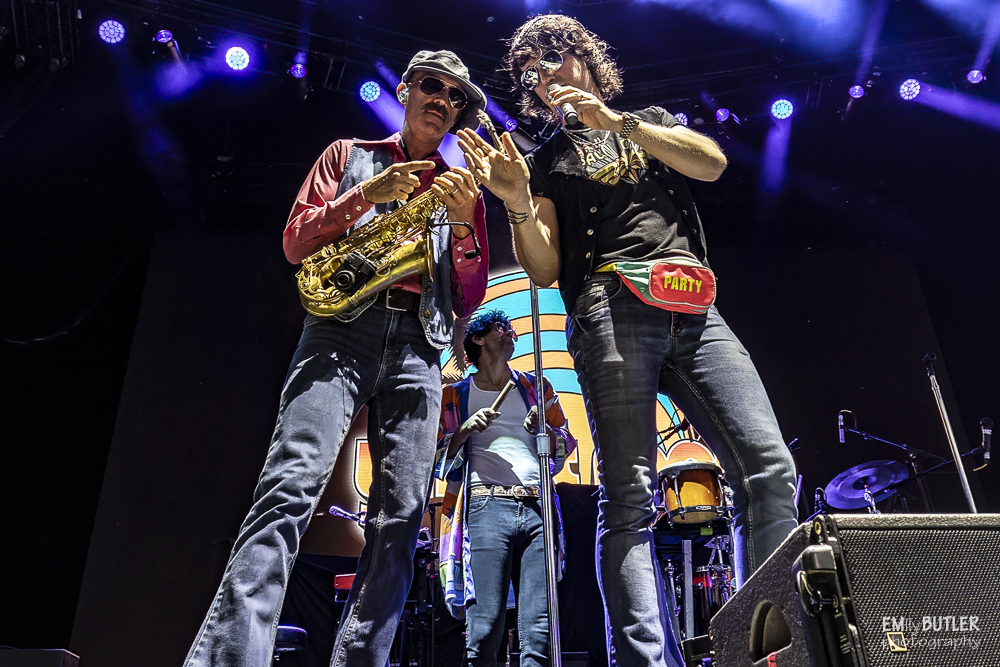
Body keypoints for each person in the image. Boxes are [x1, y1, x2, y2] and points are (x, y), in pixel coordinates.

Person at [457, 15, 798, 667]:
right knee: (629, 498)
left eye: (551, 58)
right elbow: (544, 269)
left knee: (769, 467)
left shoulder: (649, 122)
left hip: (693, 307)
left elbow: (712, 163)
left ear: (584, 58)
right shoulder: (546, 162)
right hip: (610, 306)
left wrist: (618, 124)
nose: (542, 75)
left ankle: (767, 649)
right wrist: (516, 201)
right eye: (529, 72)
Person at [183, 50, 490, 667]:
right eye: (432, 86)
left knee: (401, 518)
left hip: (419, 342)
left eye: (456, 96)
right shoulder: (348, 155)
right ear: (405, 90)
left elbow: (470, 295)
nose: (443, 100)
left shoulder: (461, 186)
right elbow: (295, 244)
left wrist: (462, 228)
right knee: (290, 485)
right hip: (340, 330)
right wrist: (364, 196)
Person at [435, 309, 577, 667]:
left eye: (512, 329)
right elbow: (435, 460)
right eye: (502, 328)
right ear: (478, 338)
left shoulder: (536, 388)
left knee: (539, 629)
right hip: (485, 507)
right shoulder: (454, 396)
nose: (511, 333)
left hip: (538, 507)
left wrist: (544, 432)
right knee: (484, 626)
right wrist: (464, 430)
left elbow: (566, 443)